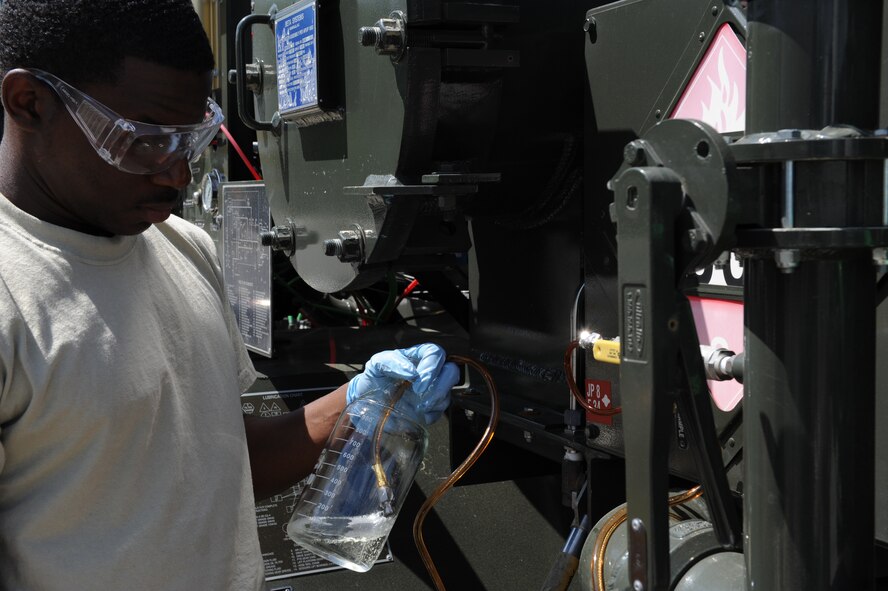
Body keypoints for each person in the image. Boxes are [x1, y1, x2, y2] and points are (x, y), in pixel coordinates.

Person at [0, 1, 459, 589]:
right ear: (29, 103)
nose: (178, 175)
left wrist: (361, 400)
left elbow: (216, 456)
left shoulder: (185, 247)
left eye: (189, 140)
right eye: (144, 141)